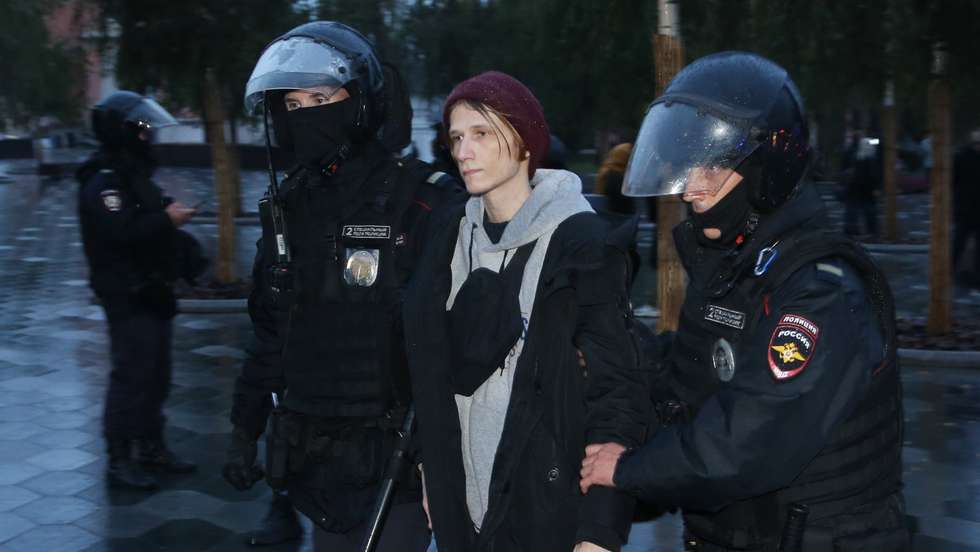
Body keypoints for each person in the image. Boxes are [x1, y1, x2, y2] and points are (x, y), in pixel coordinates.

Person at [579, 52, 909, 550]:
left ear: (765, 165)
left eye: (714, 164)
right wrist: (612, 342)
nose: (693, 184)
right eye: (690, 162)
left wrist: (627, 470)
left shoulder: (820, 290)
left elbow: (750, 438)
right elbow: (693, 370)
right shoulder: (736, 265)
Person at [222, 21, 463, 551]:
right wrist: (245, 428)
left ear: (360, 101)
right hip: (314, 460)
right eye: (293, 103)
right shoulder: (289, 209)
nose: (305, 114)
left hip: (398, 466)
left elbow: (466, 336)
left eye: (320, 97)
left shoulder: (422, 199)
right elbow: (270, 330)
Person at [403, 71, 648, 552]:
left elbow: (618, 392)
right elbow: (426, 367)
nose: (462, 151)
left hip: (544, 507)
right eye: (455, 137)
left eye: (480, 134)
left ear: (522, 140)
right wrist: (428, 465)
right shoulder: (447, 236)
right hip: (460, 510)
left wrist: (599, 530)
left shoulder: (582, 246)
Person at [77, 91, 200, 490]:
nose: (148, 136)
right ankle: (119, 457)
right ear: (121, 131)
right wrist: (166, 218)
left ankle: (151, 446)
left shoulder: (132, 176)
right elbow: (121, 233)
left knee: (156, 375)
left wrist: (168, 218)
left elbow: (147, 217)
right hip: (126, 293)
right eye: (141, 129)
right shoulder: (104, 181)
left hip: (150, 290)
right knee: (132, 376)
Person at [953, 129, 980, 286]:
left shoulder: (961, 156)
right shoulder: (962, 157)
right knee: (960, 240)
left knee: (968, 242)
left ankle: (975, 273)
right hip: (966, 207)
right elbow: (954, 181)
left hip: (969, 207)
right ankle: (952, 268)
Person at [843, 137, 880, 238]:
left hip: (854, 188)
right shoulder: (870, 160)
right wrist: (875, 188)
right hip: (866, 189)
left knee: (853, 209)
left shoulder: (856, 156)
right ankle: (871, 230)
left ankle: (850, 229)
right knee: (869, 210)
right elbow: (872, 176)